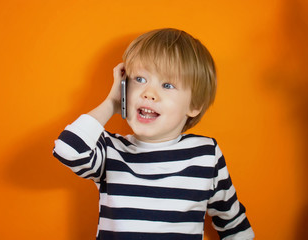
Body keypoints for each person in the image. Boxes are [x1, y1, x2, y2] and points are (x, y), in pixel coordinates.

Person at [53, 28, 254, 240]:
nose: (148, 93)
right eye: (139, 79)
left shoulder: (206, 155)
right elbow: (68, 149)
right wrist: (112, 102)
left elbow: (234, 224)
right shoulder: (111, 151)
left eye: (167, 85)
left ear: (194, 105)